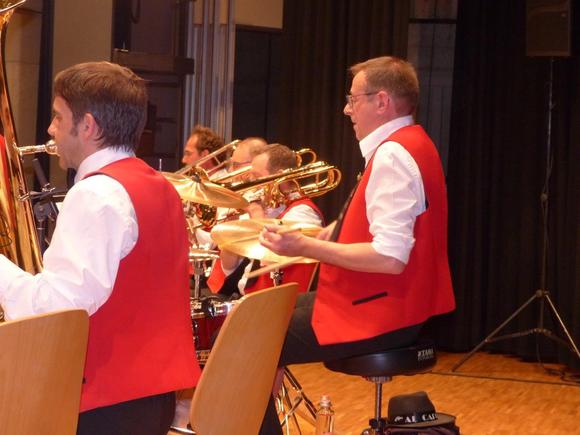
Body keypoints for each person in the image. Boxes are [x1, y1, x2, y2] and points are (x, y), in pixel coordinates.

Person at [257, 56, 455, 433]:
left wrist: (305, 248)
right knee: (262, 313)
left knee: (252, 336)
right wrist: (322, 234)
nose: (346, 109)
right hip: (391, 302)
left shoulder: (393, 154)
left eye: (353, 99)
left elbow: (390, 257)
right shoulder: (413, 142)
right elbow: (379, 222)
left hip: (383, 311)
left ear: (382, 101)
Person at [0, 61, 200, 435]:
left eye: (58, 117)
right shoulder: (159, 185)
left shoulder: (95, 194)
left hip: (104, 405)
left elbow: (55, 310)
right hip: (151, 395)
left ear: (88, 126)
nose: (51, 129)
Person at [209, 143, 324, 296]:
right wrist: (231, 228)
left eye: (257, 177)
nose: (251, 183)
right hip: (248, 297)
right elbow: (229, 268)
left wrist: (256, 214)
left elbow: (270, 258)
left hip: (278, 303)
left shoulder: (303, 213)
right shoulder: (266, 207)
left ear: (280, 177)